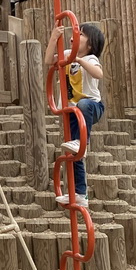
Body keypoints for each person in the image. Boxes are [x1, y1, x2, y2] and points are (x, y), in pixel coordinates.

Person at [44, 22, 105, 208]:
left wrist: (78, 60)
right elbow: (49, 61)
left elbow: (98, 74)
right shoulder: (66, 54)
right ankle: (80, 193)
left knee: (83, 104)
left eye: (81, 35)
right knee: (73, 153)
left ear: (90, 44)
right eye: (75, 33)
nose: (74, 36)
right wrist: (54, 38)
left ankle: (83, 143)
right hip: (73, 113)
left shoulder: (91, 58)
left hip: (91, 108)